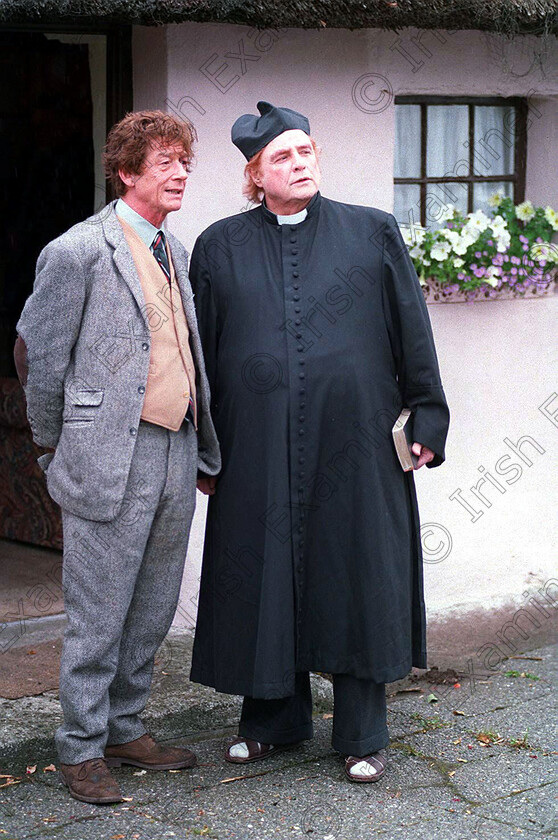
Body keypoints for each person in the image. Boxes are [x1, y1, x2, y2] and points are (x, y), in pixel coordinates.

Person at [190, 101, 449, 783]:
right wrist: (205, 447)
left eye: (306, 151)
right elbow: (203, 358)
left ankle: (363, 733)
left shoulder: (371, 232)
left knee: (359, 569)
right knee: (263, 571)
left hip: (357, 438)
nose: (299, 163)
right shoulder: (219, 245)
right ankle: (273, 720)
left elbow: (411, 329)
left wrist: (428, 412)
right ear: (255, 175)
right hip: (255, 444)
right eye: (283, 156)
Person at [15, 110, 220, 804]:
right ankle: (79, 749)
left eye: (184, 162)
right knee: (98, 613)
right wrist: (51, 447)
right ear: (127, 171)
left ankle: (126, 729)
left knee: (153, 605)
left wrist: (202, 444)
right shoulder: (76, 251)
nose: (180, 173)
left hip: (175, 448)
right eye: (164, 162)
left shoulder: (174, 249)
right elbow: (37, 358)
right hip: (106, 454)